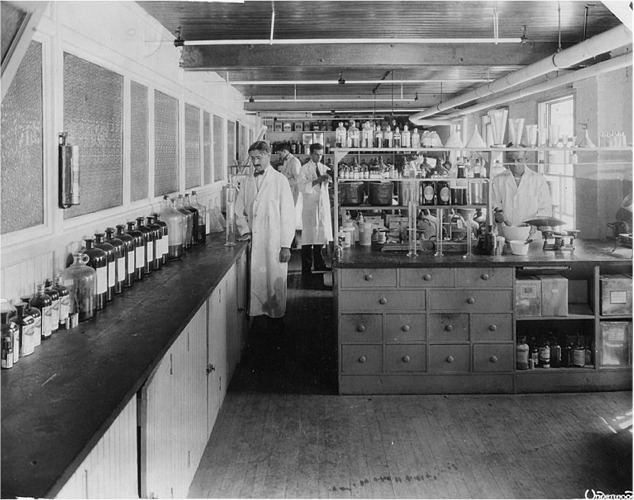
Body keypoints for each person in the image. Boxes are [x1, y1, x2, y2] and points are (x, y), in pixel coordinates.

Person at [235, 141, 296, 319]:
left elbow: (288, 215)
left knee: (274, 283)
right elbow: (239, 211)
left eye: (258, 157)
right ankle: (258, 321)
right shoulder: (247, 182)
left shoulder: (280, 180)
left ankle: (277, 321)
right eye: (252, 158)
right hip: (255, 241)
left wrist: (286, 245)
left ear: (268, 155)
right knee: (257, 285)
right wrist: (245, 231)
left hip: (274, 242)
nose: (255, 162)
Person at [491, 149, 553, 227]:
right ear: (506, 159)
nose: (515, 164)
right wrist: (497, 216)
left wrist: (535, 223)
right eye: (511, 160)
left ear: (525, 159)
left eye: (519, 160)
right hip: (506, 231)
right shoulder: (498, 179)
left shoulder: (538, 179)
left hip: (532, 232)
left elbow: (546, 209)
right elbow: (494, 204)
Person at [297, 143, 333, 276]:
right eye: (316, 154)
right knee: (308, 237)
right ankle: (306, 268)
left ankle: (319, 264)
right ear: (311, 154)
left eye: (321, 154)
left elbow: (332, 181)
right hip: (310, 206)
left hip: (322, 205)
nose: (319, 157)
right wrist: (317, 181)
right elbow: (301, 187)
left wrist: (331, 176)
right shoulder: (304, 169)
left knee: (320, 236)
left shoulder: (324, 168)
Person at [278, 142, 303, 246]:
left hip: (294, 192)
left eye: (280, 153)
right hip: (288, 192)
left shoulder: (294, 161)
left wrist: (285, 183)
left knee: (292, 217)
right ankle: (289, 241)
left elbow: (297, 179)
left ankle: (293, 242)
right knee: (287, 217)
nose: (280, 156)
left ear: (285, 151)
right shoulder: (286, 161)